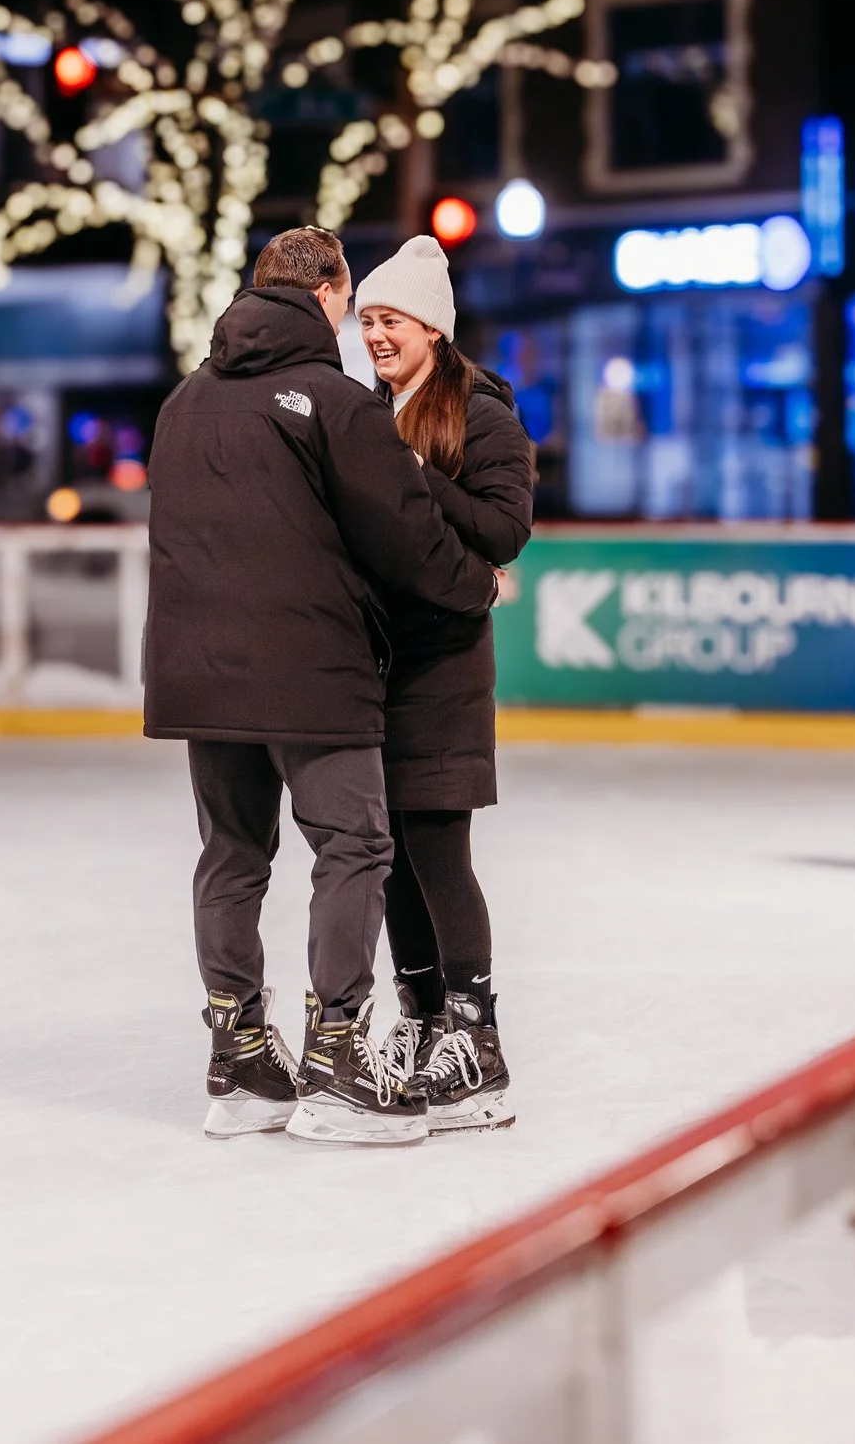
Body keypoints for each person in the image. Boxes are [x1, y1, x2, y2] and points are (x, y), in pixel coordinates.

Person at [145, 227, 500, 1146]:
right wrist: (476, 587)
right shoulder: (337, 404)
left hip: (198, 675)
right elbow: (409, 533)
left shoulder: (183, 402)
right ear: (331, 294)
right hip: (313, 670)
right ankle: (338, 1056)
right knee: (354, 845)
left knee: (232, 853)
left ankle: (242, 1062)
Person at [353, 236, 532, 1132]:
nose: (376, 335)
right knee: (387, 858)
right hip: (375, 666)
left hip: (445, 668)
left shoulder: (481, 414)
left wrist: (423, 480)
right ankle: (423, 1022)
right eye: (368, 320)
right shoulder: (371, 409)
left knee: (437, 850)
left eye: (390, 320)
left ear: (433, 325)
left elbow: (506, 531)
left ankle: (476, 1036)